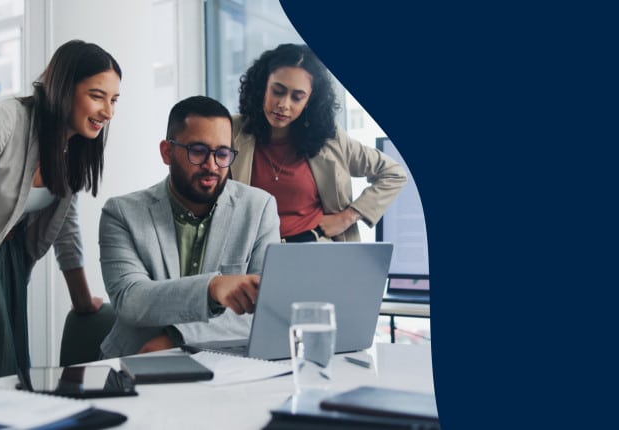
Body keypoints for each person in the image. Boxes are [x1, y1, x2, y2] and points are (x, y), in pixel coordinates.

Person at [0, 39, 121, 381]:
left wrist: (81, 299)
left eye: (114, 100)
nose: (108, 112)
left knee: (8, 383)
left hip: (7, 271)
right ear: (63, 88)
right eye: (97, 96)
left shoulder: (73, 148)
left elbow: (64, 224)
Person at [98, 96, 280, 358]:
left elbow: (267, 308)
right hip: (135, 360)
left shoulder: (260, 208)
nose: (212, 166)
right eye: (197, 151)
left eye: (222, 153)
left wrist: (176, 337)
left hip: (228, 364)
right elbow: (131, 300)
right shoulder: (121, 213)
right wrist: (212, 288)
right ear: (167, 152)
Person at [231, 43, 407, 242]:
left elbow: (393, 173)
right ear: (262, 87)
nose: (284, 105)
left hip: (317, 250)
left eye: (297, 97)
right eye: (278, 91)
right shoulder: (230, 131)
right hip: (252, 256)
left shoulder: (329, 138)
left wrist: (347, 217)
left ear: (310, 101)